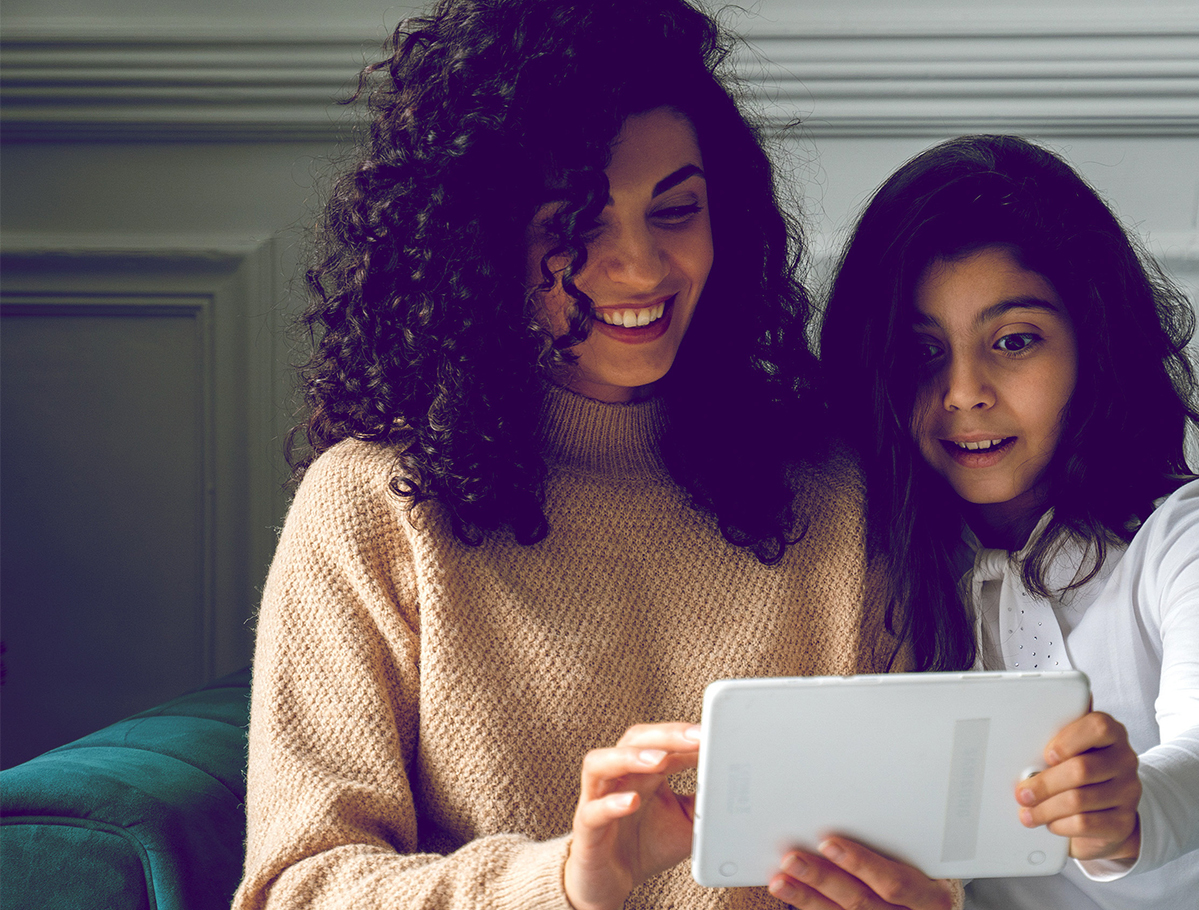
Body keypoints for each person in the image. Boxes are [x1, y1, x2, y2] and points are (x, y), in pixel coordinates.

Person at [231, 2, 955, 909]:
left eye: (676, 210)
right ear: (483, 246)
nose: (641, 266)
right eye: (575, 224)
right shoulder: (371, 505)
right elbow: (300, 887)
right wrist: (564, 885)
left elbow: (919, 844)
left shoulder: (837, 492)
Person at [817, 135, 1199, 909]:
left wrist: (1131, 810)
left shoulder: (1192, 529)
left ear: (1091, 343)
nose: (963, 391)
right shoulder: (874, 560)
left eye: (1013, 342)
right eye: (921, 352)